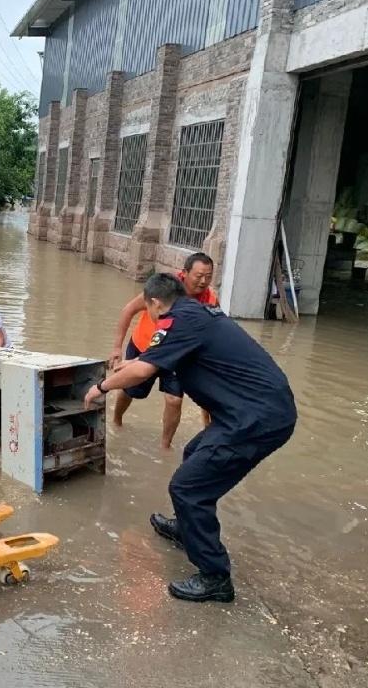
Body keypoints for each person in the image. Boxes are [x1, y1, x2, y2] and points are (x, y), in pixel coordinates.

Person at [86, 273, 297, 603]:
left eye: (148, 311)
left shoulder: (177, 321)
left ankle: (215, 577)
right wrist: (131, 361)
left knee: (188, 488)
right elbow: (151, 359)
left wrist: (100, 388)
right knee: (196, 452)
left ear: (154, 303)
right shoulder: (194, 313)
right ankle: (187, 530)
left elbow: (143, 372)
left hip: (255, 419)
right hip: (252, 411)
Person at [109, 252, 218, 449]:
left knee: (174, 400)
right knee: (129, 390)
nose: (204, 281)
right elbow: (128, 310)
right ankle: (117, 420)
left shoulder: (209, 300)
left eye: (208, 276)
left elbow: (211, 337)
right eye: (199, 275)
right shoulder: (164, 289)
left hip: (177, 356)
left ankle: (165, 446)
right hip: (143, 346)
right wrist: (117, 347)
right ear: (185, 273)